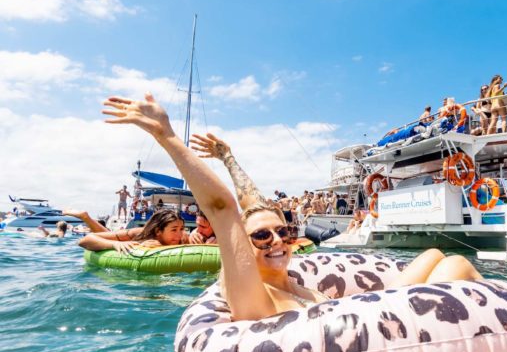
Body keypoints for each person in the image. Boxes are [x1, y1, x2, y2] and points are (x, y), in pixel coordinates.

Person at [102, 93, 483, 321]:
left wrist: (229, 158)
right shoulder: (250, 290)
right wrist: (167, 136)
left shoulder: (292, 280)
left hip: (360, 308)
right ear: (241, 244)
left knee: (435, 252)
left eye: (283, 232)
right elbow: (224, 209)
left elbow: (255, 204)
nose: (276, 240)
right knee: (456, 264)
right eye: (261, 236)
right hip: (368, 331)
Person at [79, 208, 188, 253]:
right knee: (106, 234)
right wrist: (115, 244)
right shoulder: (139, 233)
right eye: (174, 230)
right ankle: (86, 218)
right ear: (158, 231)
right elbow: (85, 240)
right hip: (133, 237)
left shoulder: (183, 238)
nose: (179, 234)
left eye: (182, 229)